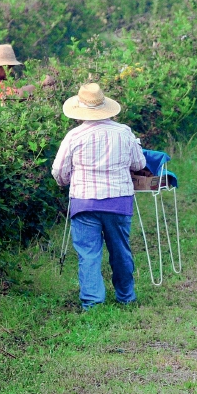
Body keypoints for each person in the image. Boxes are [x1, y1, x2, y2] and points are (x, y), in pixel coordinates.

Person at [52, 83, 146, 310]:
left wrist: (65, 181)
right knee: (120, 250)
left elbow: (59, 171)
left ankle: (92, 302)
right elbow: (139, 164)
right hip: (118, 200)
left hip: (84, 202)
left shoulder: (74, 136)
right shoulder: (124, 132)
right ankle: (126, 296)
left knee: (89, 254)